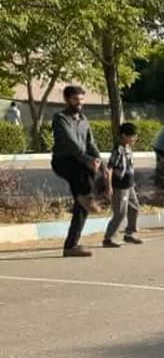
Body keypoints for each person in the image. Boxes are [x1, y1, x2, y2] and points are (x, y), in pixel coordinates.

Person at [49, 85, 102, 257]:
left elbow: (91, 144)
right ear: (67, 100)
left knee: (82, 206)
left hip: (82, 163)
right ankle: (87, 197)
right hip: (64, 162)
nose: (79, 102)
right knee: (84, 180)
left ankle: (71, 246)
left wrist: (100, 161)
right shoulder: (60, 118)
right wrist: (88, 160)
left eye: (81, 99)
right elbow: (70, 143)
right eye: (75, 99)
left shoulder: (84, 119)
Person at [102, 122, 143, 248]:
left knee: (135, 208)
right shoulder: (118, 150)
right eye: (132, 136)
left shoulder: (128, 148)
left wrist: (133, 184)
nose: (135, 138)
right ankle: (109, 238)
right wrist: (109, 187)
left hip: (129, 185)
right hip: (120, 187)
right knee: (120, 213)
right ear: (124, 135)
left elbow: (129, 167)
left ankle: (129, 234)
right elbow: (109, 169)